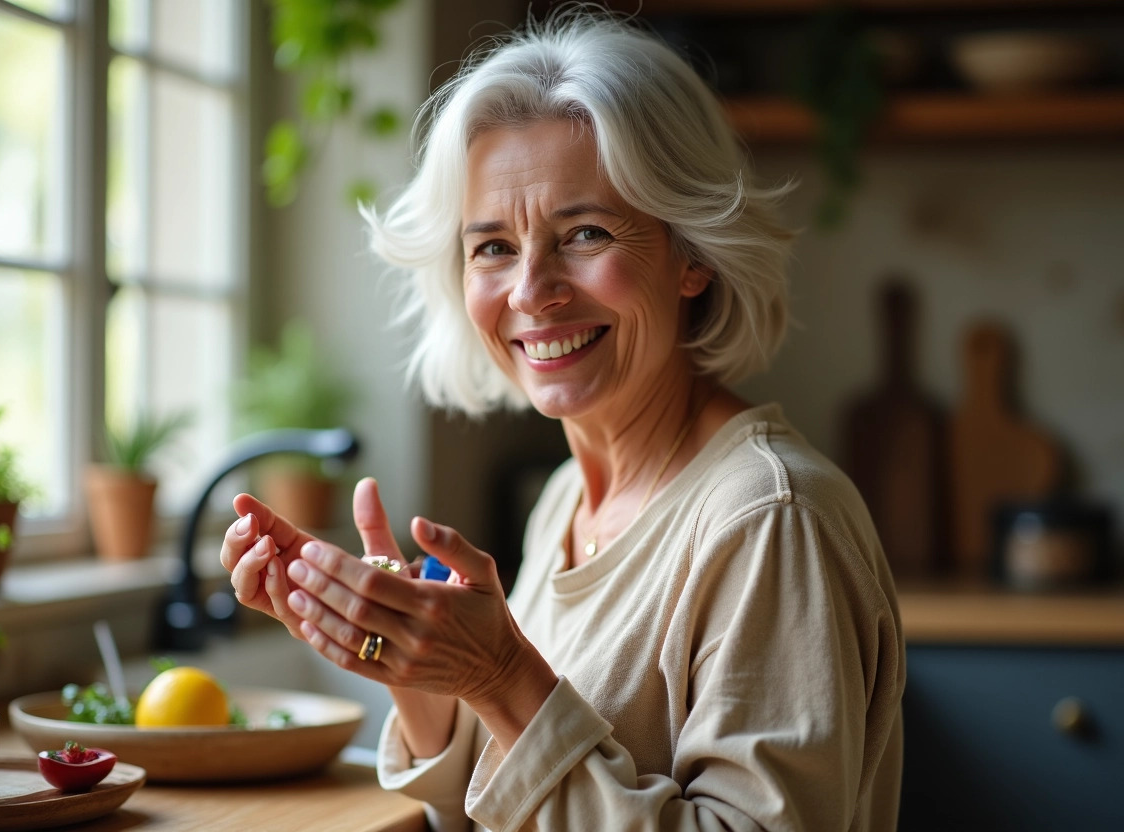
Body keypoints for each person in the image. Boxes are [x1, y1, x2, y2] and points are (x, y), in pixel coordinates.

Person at [221, 9, 904, 831]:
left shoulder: (770, 519)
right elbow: (523, 800)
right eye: (494, 247)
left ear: (692, 253)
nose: (530, 291)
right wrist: (415, 670)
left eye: (584, 233)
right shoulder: (563, 503)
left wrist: (503, 674)